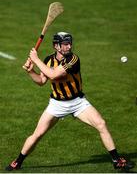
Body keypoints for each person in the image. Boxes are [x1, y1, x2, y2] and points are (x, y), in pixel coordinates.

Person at [6, 32, 134, 171]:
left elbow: (54, 74)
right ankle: (17, 162)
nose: (69, 46)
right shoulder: (49, 60)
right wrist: (31, 72)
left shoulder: (73, 59)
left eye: (70, 43)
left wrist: (35, 60)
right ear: (56, 46)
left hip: (78, 102)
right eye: (65, 44)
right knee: (38, 134)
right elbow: (42, 81)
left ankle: (117, 161)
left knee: (101, 124)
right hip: (57, 104)